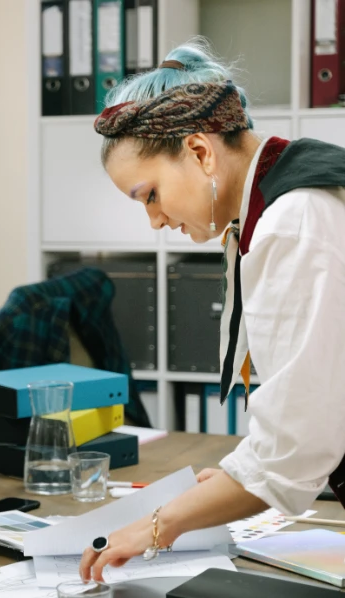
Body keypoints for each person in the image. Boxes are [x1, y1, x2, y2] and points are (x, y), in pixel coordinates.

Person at [78, 39, 345, 582]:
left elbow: (293, 448)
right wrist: (234, 480)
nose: (154, 220)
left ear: (200, 152)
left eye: (148, 195)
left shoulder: (293, 220)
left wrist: (156, 526)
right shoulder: (288, 193)